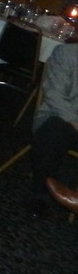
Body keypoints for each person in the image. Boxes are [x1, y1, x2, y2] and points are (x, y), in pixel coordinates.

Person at [29, 44, 78, 215]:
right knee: (53, 131)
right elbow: (54, 95)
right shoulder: (67, 53)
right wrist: (75, 121)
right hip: (61, 117)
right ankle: (40, 193)